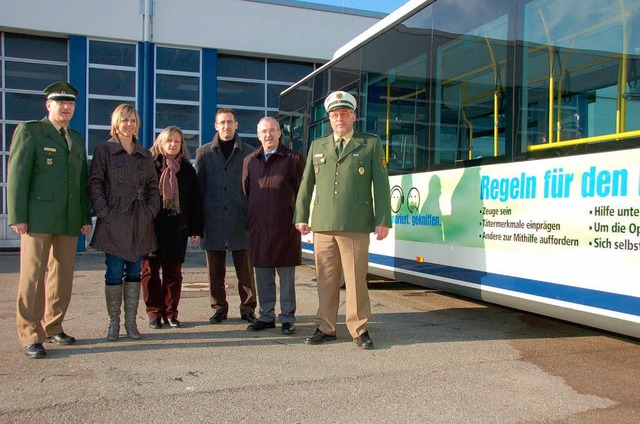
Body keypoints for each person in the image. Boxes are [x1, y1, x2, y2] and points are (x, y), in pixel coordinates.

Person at [294, 90, 392, 350]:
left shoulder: (370, 143)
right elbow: (306, 184)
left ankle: (358, 329)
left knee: (356, 279)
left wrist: (383, 219)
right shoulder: (318, 145)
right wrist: (301, 215)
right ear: (329, 118)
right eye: (335, 115)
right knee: (326, 278)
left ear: (354, 117)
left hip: (355, 223)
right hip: (323, 224)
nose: (340, 118)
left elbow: (381, 184)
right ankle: (326, 326)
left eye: (345, 114)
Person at [7, 81, 92, 359]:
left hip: (67, 220)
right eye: (60, 103)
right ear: (49, 105)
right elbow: (18, 177)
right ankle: (30, 333)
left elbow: (80, 182)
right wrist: (18, 216)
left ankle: (53, 325)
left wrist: (83, 215)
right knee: (32, 277)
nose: (66, 107)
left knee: (62, 276)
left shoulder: (76, 138)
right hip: (38, 218)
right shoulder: (32, 132)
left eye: (70, 104)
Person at [87, 104, 160, 341]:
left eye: (133, 121)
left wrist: (150, 210)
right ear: (116, 123)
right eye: (124, 120)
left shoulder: (144, 154)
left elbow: (152, 186)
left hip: (140, 218)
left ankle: (131, 323)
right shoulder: (104, 150)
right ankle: (114, 323)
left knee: (136, 271)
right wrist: (104, 211)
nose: (129, 125)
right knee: (114, 271)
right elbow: (95, 183)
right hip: (113, 218)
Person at [242, 117, 305, 334]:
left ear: (280, 133)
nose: (268, 135)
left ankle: (287, 318)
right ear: (258, 135)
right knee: (262, 274)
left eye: (272, 130)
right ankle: (266, 316)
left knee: (286, 278)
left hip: (285, 227)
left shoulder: (294, 159)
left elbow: (303, 193)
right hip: (259, 227)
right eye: (264, 131)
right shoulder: (250, 160)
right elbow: (247, 191)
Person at [195, 109, 257, 324]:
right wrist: (198, 223)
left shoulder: (249, 152)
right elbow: (198, 190)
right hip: (212, 221)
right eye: (222, 122)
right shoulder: (203, 154)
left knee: (245, 270)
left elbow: (253, 188)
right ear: (215, 125)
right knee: (215, 272)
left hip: (241, 220)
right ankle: (219, 307)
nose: (226, 126)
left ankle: (248, 308)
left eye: (230, 122)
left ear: (236, 125)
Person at [141, 126, 203, 329]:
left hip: (177, 228)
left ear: (181, 145)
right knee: (150, 272)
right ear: (161, 142)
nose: (173, 145)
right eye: (169, 141)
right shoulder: (149, 165)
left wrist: (196, 229)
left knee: (173, 273)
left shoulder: (187, 169)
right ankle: (154, 312)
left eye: (177, 141)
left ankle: (170, 312)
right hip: (152, 227)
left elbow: (195, 201)